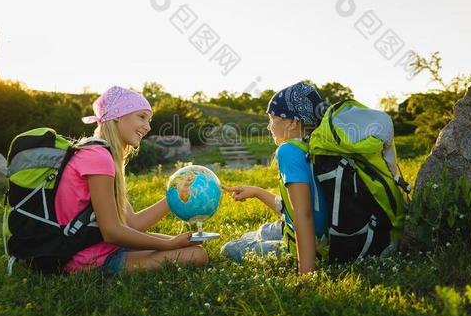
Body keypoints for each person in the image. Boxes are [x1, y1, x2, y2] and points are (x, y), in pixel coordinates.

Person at [56, 86, 208, 274]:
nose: (148, 127)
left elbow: (133, 224)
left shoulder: (100, 154)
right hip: (88, 259)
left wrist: (176, 195)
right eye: (142, 117)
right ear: (118, 115)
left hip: (102, 247)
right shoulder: (98, 157)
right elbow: (112, 232)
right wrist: (167, 245)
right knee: (196, 254)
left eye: (149, 120)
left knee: (189, 248)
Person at [221, 82, 329, 274]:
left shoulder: (288, 151)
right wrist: (256, 192)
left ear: (293, 122)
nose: (270, 126)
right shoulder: (314, 146)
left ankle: (299, 257)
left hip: (312, 244)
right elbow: (297, 206)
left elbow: (303, 214)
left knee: (230, 248)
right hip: (328, 234)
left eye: (273, 118)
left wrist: (306, 272)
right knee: (263, 230)